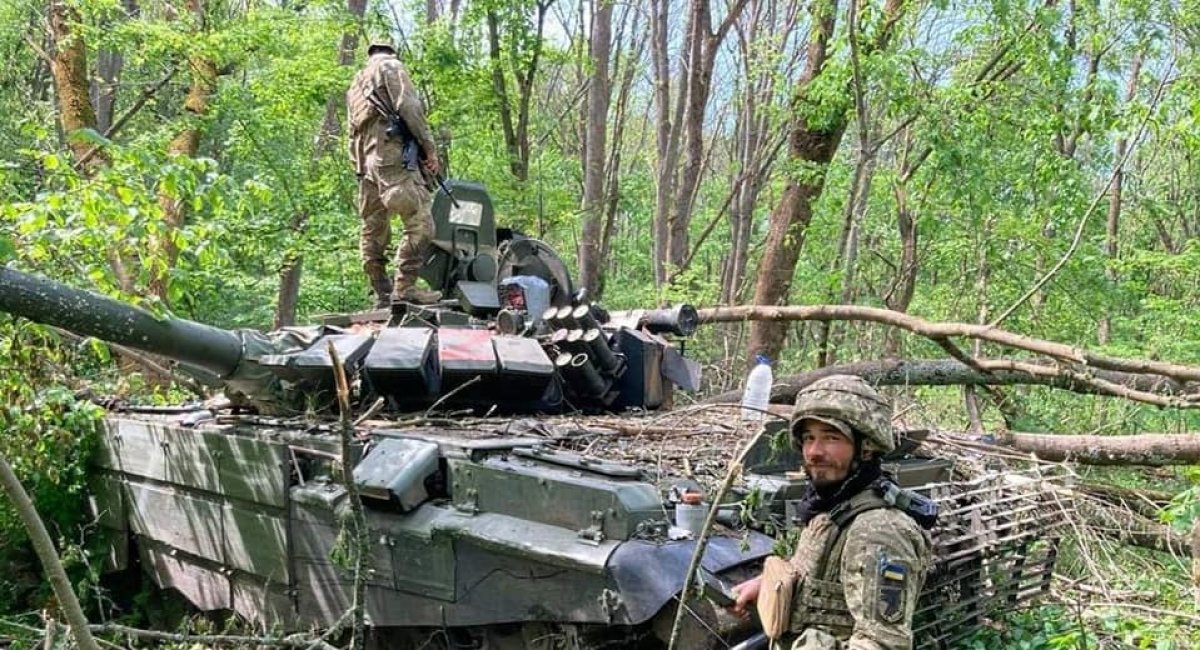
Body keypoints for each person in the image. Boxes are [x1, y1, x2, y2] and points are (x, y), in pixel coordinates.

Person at [732, 375, 935, 650]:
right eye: (808, 438)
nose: (814, 452)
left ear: (866, 448)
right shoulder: (833, 505)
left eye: (831, 437)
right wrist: (769, 586)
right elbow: (823, 579)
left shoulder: (878, 531)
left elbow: (882, 644)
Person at [346, 41, 442, 307]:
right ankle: (405, 288)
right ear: (391, 51)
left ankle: (381, 292)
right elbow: (409, 107)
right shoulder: (391, 67)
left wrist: (360, 167)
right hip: (391, 158)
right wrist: (429, 148)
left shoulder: (355, 84)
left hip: (366, 167)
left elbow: (351, 133)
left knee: (373, 229)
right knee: (421, 221)